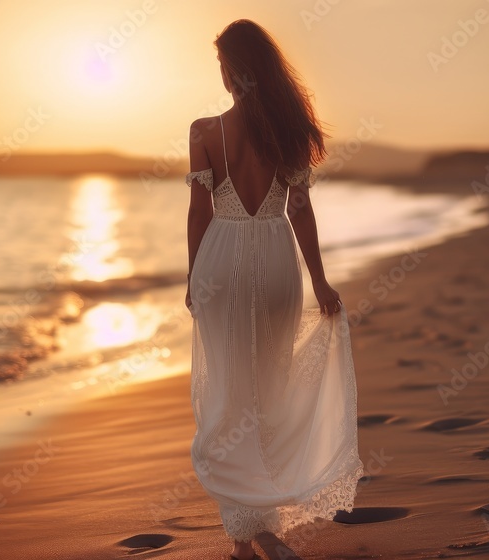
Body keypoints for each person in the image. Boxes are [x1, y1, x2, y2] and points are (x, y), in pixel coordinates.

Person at [184, 19, 364, 560]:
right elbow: (301, 212)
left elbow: (198, 213)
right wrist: (319, 279)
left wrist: (194, 278)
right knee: (268, 390)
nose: (221, 75)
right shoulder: (288, 130)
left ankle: (251, 534)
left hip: (220, 263)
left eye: (222, 65)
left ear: (232, 71)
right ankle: (250, 539)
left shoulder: (203, 131)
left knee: (229, 395)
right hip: (278, 260)